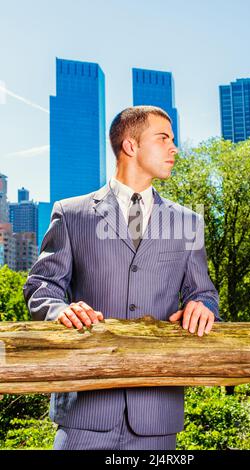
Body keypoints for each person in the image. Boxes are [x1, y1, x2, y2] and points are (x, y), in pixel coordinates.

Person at [23, 105, 220, 450]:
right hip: (85, 410)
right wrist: (59, 310)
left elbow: (203, 291)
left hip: (157, 412)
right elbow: (41, 286)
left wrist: (203, 305)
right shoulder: (71, 214)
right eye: (163, 139)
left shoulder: (189, 222)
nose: (174, 148)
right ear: (130, 145)